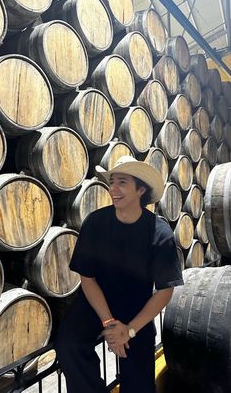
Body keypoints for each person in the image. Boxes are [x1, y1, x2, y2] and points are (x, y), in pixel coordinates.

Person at [55, 155, 184, 393]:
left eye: (122, 182)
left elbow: (165, 290)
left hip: (136, 306)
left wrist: (130, 330)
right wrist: (109, 322)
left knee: (139, 380)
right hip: (97, 302)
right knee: (69, 345)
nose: (112, 189)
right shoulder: (95, 223)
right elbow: (88, 278)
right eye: (111, 182)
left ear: (140, 190)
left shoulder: (160, 232)